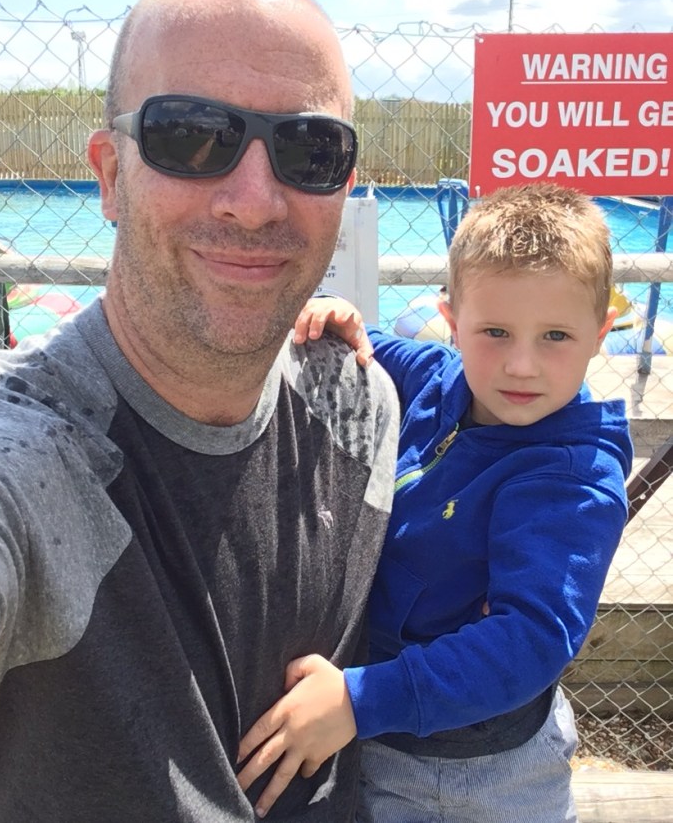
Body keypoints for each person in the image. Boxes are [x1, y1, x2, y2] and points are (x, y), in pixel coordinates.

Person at [0, 0, 400, 822]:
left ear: (344, 189)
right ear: (109, 174)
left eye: (309, 149)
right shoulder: (30, 448)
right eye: (193, 136)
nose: (256, 202)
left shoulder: (357, 406)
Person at [237, 183, 633, 822]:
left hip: (481, 766)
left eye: (556, 336)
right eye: (495, 332)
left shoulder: (572, 478)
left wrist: (358, 701)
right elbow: (373, 349)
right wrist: (339, 318)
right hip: (384, 730)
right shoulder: (438, 378)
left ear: (600, 333)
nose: (521, 365)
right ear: (453, 323)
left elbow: (531, 639)